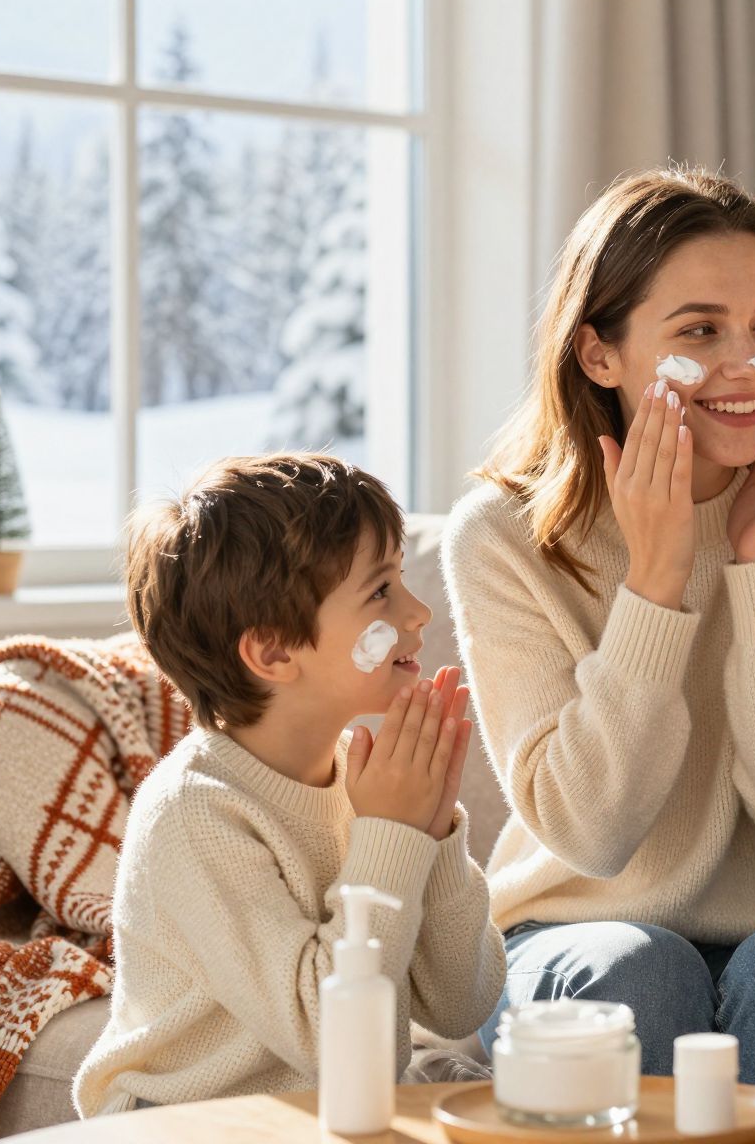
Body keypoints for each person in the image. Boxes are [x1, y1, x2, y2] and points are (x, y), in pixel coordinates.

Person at [444, 167, 755, 1089]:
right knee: (638, 969)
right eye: (700, 331)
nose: (750, 365)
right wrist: (654, 585)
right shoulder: (503, 537)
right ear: (599, 355)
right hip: (571, 937)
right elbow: (591, 834)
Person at [76, 454, 503, 1116]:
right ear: (274, 652)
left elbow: (460, 1003)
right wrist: (390, 834)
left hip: (332, 1106)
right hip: (190, 1123)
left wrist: (433, 831)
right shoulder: (194, 815)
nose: (419, 612)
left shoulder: (361, 780)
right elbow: (334, 1040)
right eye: (381, 591)